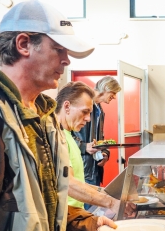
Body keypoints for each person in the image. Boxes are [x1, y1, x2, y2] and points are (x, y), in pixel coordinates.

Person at [0, 0, 121, 231]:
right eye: (59, 50)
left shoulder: (44, 117)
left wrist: (86, 222)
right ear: (24, 44)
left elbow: (39, 205)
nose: (66, 61)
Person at [55, 81, 135, 215]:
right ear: (67, 106)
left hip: (75, 213)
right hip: (65, 216)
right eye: (85, 112)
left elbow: (80, 182)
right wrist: (111, 203)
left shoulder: (68, 135)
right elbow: (68, 183)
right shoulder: (56, 136)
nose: (88, 119)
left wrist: (110, 194)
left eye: (89, 113)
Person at [73, 76, 121, 196]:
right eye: (113, 93)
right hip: (82, 170)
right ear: (105, 88)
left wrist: (105, 153)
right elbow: (65, 134)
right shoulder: (81, 106)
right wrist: (84, 147)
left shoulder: (99, 110)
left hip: (95, 169)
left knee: (93, 210)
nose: (114, 97)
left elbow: (100, 139)